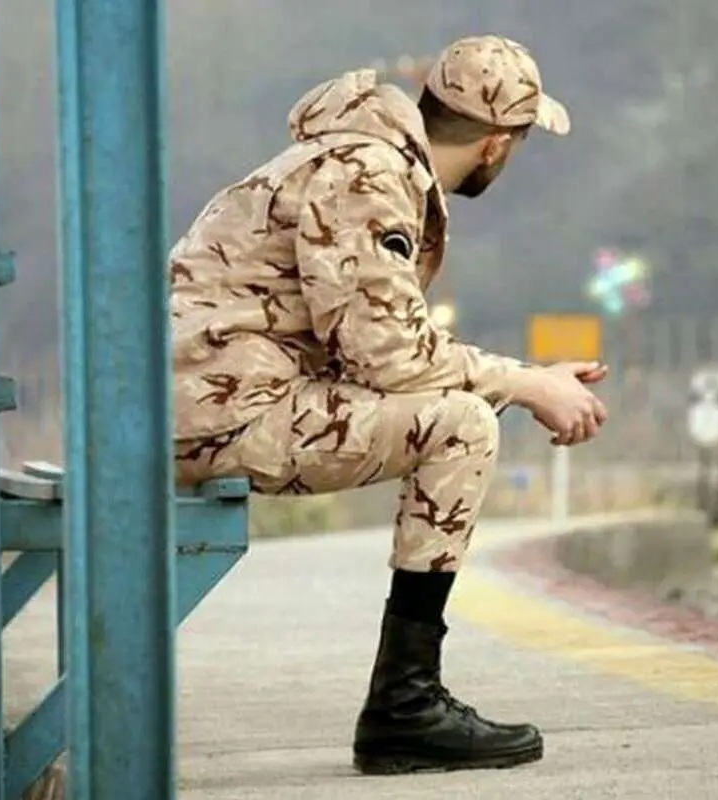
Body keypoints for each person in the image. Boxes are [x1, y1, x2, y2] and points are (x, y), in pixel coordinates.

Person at [169, 34, 607, 775]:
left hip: (207, 403)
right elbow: (392, 356)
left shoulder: (360, 158)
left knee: (456, 407)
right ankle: (405, 707)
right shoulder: (367, 176)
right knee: (461, 428)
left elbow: (376, 353)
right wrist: (530, 385)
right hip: (223, 413)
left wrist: (528, 380)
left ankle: (406, 703)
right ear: (497, 145)